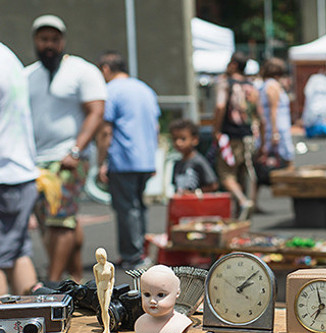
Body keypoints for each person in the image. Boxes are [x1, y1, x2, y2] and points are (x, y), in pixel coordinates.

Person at [26, 15, 107, 283]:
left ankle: (52, 283)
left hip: (69, 159)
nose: (48, 44)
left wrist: (75, 150)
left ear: (62, 41)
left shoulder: (82, 71)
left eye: (54, 39)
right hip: (36, 161)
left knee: (59, 222)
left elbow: (96, 112)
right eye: (43, 39)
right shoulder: (28, 75)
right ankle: (74, 278)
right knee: (57, 221)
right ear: (36, 41)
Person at [96, 51, 159, 270]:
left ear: (106, 69)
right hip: (145, 158)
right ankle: (137, 251)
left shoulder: (111, 91)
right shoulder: (145, 89)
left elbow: (106, 130)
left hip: (124, 159)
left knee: (127, 208)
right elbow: (156, 127)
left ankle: (134, 256)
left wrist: (101, 161)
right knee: (138, 206)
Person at [0, 42, 40, 296]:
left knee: (4, 257)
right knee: (17, 253)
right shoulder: (7, 56)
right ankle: (37, 321)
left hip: (4, 174)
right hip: (20, 172)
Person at [213, 52, 261, 218]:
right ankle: (242, 215)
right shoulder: (251, 86)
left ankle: (242, 201)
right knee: (245, 173)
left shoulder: (225, 83)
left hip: (229, 135)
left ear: (233, 64)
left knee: (226, 174)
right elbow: (258, 113)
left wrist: (216, 130)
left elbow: (220, 106)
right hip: (248, 135)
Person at [255, 58, 295, 201]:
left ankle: (254, 201)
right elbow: (273, 110)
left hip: (272, 128)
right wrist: (275, 132)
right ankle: (293, 194)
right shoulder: (272, 86)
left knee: (260, 163)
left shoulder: (265, 85)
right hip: (279, 128)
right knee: (288, 162)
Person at [135, 264, 192, 333]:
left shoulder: (182, 323)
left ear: (177, 293)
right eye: (147, 294)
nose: (152, 301)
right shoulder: (139, 324)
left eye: (160, 295)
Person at [169, 119, 218, 194]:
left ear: (194, 140)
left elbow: (213, 185)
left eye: (183, 139)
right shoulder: (177, 164)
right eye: (175, 139)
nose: (178, 143)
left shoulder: (198, 161)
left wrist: (194, 193)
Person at [90, 247, 120, 333]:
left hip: (108, 287)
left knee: (106, 308)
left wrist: (111, 288)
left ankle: (108, 329)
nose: (100, 260)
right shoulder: (96, 267)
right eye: (98, 259)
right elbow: (96, 279)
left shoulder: (110, 266)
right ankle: (105, 329)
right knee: (102, 308)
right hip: (100, 287)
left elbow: (112, 278)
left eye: (102, 258)